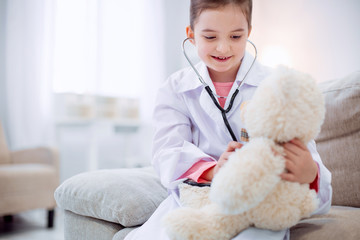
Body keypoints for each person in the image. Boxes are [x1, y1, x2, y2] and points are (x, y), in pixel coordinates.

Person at [125, 0, 332, 239]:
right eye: (210, 37)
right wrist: (214, 170)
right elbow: (167, 152)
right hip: (197, 199)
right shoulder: (175, 89)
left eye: (235, 36)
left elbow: (317, 188)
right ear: (191, 35)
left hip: (258, 204)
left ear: (249, 33)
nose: (223, 48)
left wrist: (310, 174)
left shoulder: (277, 87)